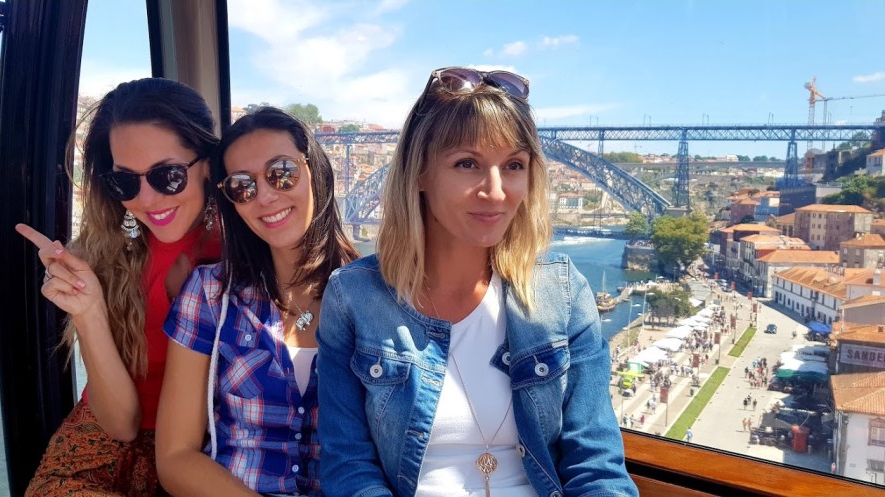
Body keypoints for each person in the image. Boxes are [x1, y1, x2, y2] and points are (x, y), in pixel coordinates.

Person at [316, 67, 637, 496]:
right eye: (467, 164)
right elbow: (348, 467)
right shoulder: (354, 297)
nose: (496, 190)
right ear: (419, 173)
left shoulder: (562, 293)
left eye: (514, 165)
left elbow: (596, 467)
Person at [18, 77, 222, 496]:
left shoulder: (247, 252)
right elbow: (121, 425)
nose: (145, 200)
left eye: (167, 176)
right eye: (126, 182)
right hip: (105, 451)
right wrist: (89, 311)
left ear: (207, 164)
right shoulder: (105, 257)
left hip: (209, 451)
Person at [155, 107, 359, 496]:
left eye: (281, 172)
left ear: (313, 169)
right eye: (242, 186)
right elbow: (175, 456)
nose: (264, 196)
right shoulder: (210, 294)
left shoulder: (376, 295)